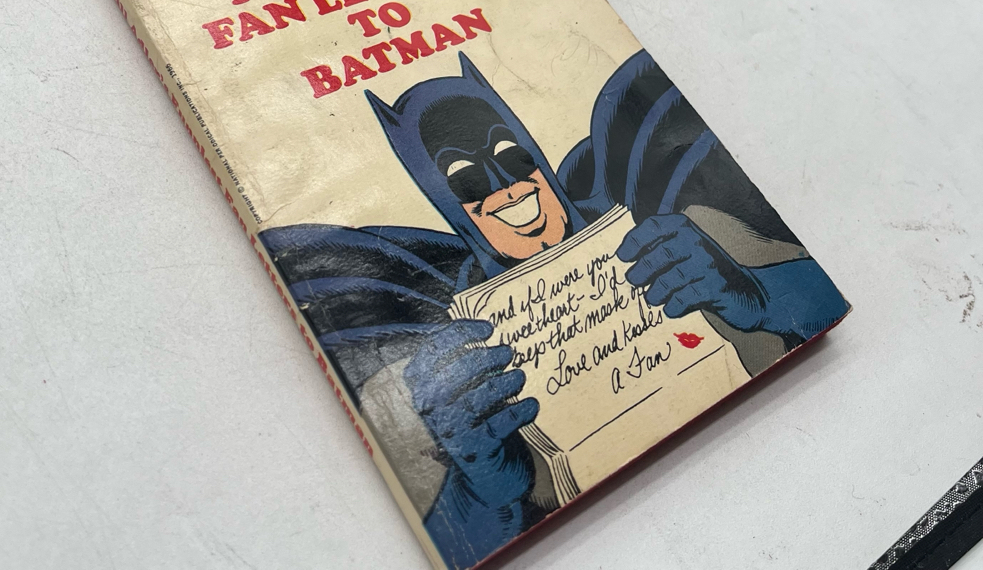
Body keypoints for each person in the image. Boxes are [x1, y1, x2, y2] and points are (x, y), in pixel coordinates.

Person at [262, 50, 849, 568]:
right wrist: (484, 490)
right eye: (468, 183)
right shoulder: (448, 332)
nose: (509, 187)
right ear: (442, 200)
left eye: (513, 158)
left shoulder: (655, 217)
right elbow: (454, 541)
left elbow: (822, 305)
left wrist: (758, 295)